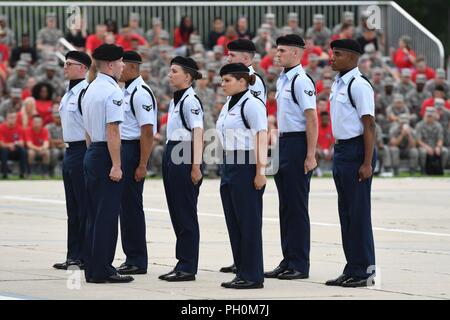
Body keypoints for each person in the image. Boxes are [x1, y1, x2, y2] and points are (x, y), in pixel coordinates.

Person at [264, 34, 318, 281]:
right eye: (277, 50)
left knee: (296, 206)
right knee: (285, 206)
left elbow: (311, 118)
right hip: (284, 141)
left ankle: (299, 263)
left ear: (296, 53)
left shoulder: (300, 80)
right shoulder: (283, 79)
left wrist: (310, 154)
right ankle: (288, 260)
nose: (277, 54)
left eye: (282, 50)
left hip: (297, 143)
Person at [326, 39, 377, 287]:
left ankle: (365, 271)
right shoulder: (339, 83)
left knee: (358, 215)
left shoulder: (359, 85)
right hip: (342, 150)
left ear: (352, 57)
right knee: (346, 214)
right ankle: (352, 267)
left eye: (337, 54)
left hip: (357, 150)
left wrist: (367, 162)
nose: (331, 57)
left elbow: (369, 124)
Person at [81, 44, 132, 283]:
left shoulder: (90, 88)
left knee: (93, 214)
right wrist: (116, 164)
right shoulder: (112, 91)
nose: (124, 66)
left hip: (92, 153)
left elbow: (88, 130)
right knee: (107, 215)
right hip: (105, 154)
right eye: (121, 61)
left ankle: (93, 267)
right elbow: (112, 129)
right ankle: (103, 269)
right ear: (110, 65)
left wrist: (95, 154)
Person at [216, 63, 267, 289]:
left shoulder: (252, 104)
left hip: (246, 162)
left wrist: (260, 171)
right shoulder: (229, 104)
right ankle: (241, 269)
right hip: (229, 162)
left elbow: (261, 137)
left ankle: (253, 275)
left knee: (248, 221)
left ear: (242, 81)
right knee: (234, 221)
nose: (222, 84)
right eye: (222, 80)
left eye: (227, 80)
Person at [159, 56, 204, 282]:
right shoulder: (176, 99)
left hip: (185, 153)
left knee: (185, 212)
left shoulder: (190, 101)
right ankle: (181, 262)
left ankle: (188, 266)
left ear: (187, 76)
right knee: (176, 211)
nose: (170, 74)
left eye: (174, 71)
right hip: (173, 151)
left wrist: (195, 166)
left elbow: (198, 133)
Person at [115, 51, 157, 275]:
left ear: (131, 67)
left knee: (131, 207)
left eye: (121, 65)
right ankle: (131, 255)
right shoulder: (126, 91)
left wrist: (142, 163)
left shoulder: (140, 93)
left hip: (133, 150)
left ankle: (137, 259)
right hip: (125, 148)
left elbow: (147, 131)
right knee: (125, 207)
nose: (119, 69)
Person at [52, 51, 91, 270]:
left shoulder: (85, 92)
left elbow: (90, 126)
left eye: (69, 64)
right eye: (64, 63)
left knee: (83, 206)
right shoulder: (68, 93)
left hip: (82, 150)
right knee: (72, 207)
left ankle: (84, 255)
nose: (65, 67)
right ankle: (72, 255)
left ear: (83, 68)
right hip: (69, 151)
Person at [227, 39, 266, 103]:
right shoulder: (236, 77)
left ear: (245, 58)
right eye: (228, 55)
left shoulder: (253, 80)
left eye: (232, 55)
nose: (228, 59)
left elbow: (255, 110)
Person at [416, 107, 448, 173]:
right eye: (428, 116)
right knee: (423, 152)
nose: (429, 118)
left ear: (434, 116)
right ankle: (423, 170)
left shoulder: (438, 125)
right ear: (425, 115)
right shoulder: (419, 125)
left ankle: (441, 169)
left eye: (431, 116)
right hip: (423, 146)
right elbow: (418, 140)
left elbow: (440, 138)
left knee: (445, 151)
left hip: (435, 145)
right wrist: (426, 147)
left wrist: (438, 147)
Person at [0, 110, 27, 179]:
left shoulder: (19, 128)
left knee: (23, 151)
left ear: (16, 118)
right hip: (3, 151)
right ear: (6, 118)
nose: (12, 119)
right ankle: (4, 174)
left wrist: (13, 144)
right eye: (10, 117)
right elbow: (1, 143)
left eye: (13, 117)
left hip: (15, 150)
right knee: (4, 150)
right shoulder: (1, 127)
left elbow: (22, 143)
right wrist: (11, 145)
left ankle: (22, 173)